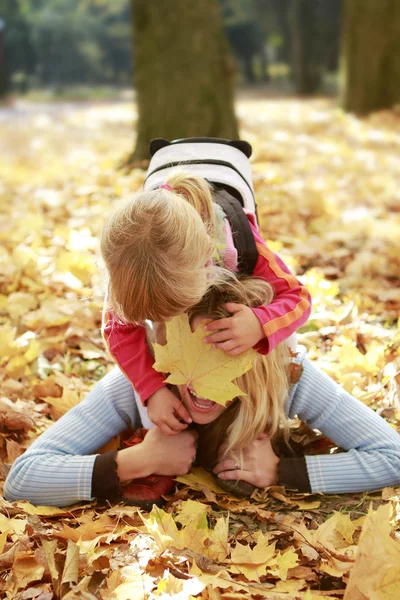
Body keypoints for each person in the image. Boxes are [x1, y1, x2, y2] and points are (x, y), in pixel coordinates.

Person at [4, 273, 400, 508]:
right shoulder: (139, 385)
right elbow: (24, 477)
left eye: (223, 359)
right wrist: (138, 460)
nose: (197, 383)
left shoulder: (285, 378)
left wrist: (283, 471)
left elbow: (392, 457)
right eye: (190, 357)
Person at [101, 167, 312, 437]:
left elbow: (299, 297)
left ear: (204, 266)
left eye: (173, 309)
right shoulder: (128, 262)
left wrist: (261, 324)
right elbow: (118, 329)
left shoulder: (239, 242)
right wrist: (151, 389)